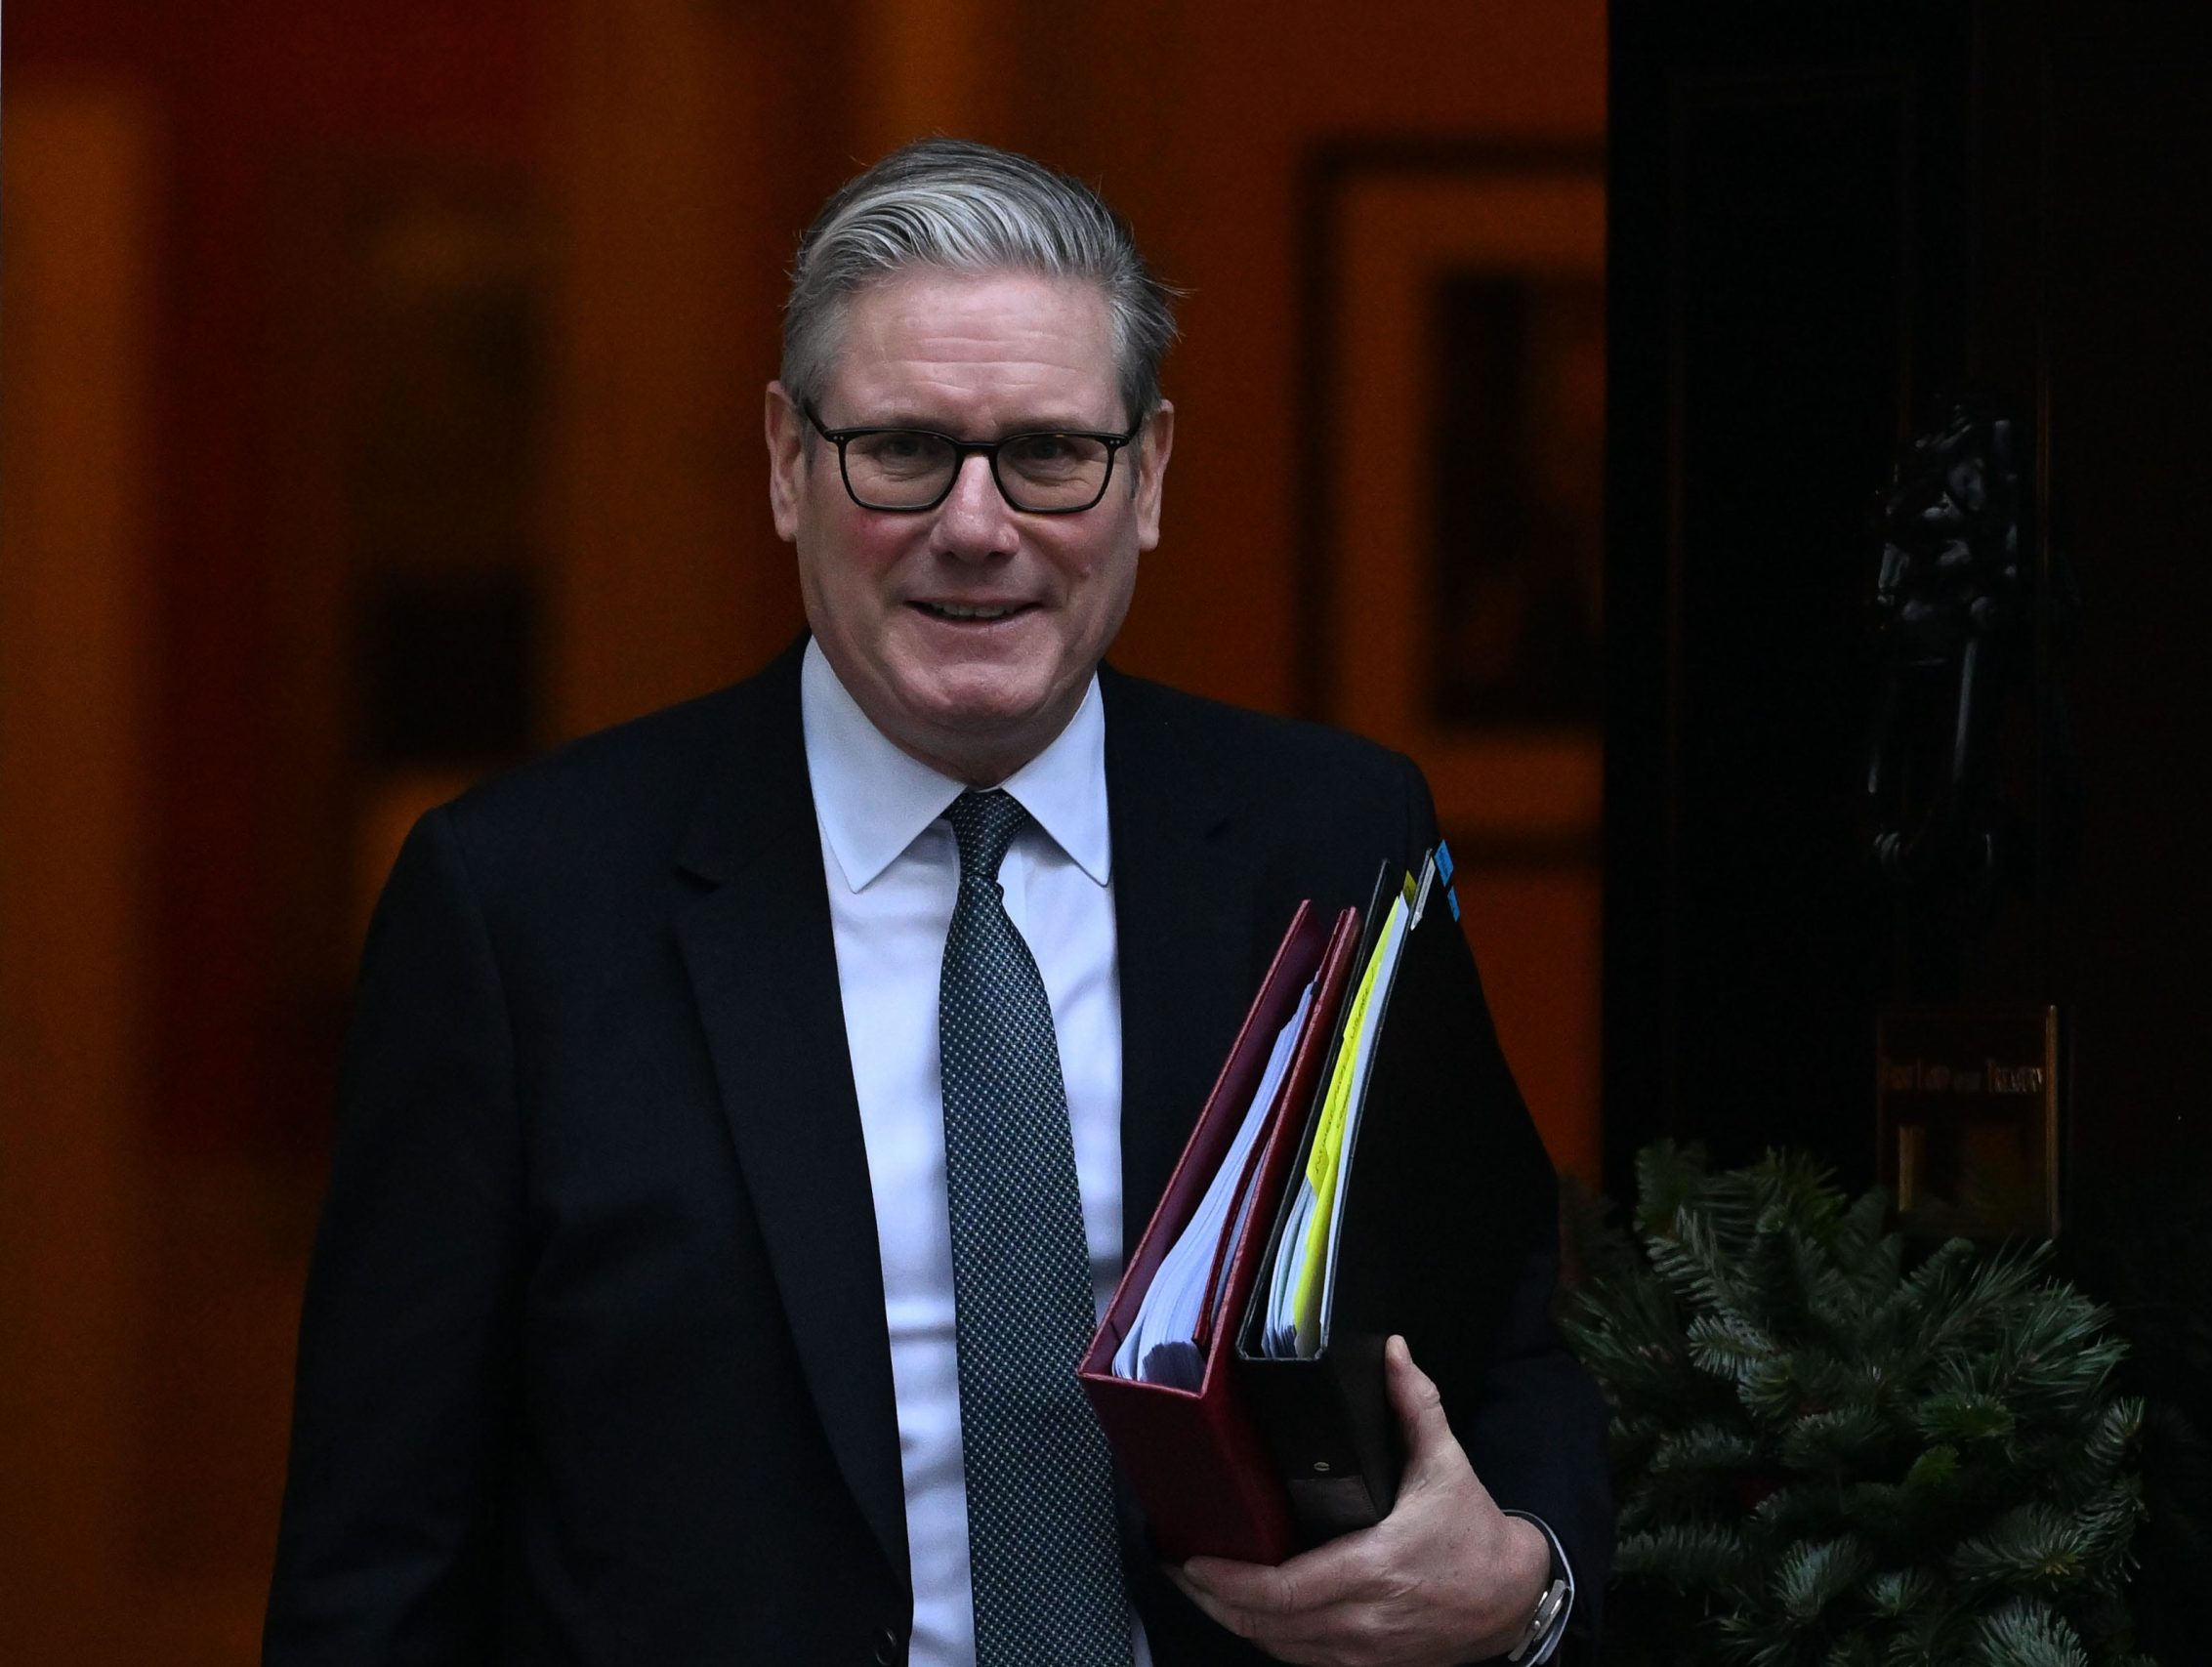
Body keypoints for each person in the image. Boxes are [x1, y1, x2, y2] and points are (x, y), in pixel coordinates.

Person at [264, 138, 1607, 1667]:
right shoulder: (520, 909)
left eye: (1049, 452)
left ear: (1148, 475)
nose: (976, 524)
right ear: (788, 462)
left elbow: (1508, 1350)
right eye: (902, 449)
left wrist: (1529, 1585)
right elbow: (376, 1565)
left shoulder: (1336, 836)